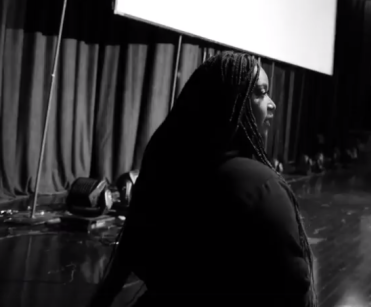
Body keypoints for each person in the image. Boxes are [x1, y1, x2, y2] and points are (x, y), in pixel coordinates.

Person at [89, 52, 317, 307]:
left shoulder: (164, 167)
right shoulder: (263, 186)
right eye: (260, 93)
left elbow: (133, 253)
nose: (272, 104)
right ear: (230, 104)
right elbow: (295, 285)